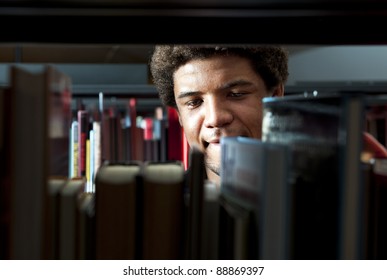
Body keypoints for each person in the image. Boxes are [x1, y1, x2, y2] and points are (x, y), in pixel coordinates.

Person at [149, 45, 289, 186]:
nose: (215, 118)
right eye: (194, 102)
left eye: (236, 94)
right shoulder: (159, 206)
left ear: (276, 97)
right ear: (179, 115)